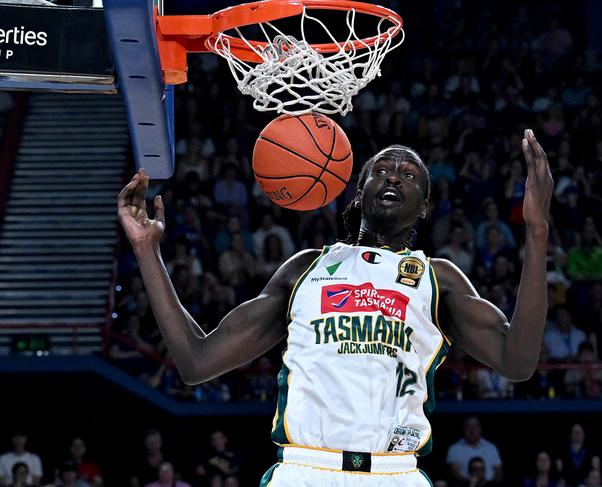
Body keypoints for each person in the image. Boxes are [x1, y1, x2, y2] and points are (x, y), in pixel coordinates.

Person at [118, 130, 554, 486]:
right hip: (304, 470)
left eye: (407, 174)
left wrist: (536, 231)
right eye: (380, 170)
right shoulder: (307, 268)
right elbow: (197, 361)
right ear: (359, 192)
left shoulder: (437, 277)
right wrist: (146, 251)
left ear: (423, 206)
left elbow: (517, 362)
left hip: (394, 473)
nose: (393, 176)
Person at [446, 417, 504, 485]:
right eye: (468, 426)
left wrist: (491, 484)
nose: (472, 430)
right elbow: (454, 472)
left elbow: (499, 471)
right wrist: (471, 484)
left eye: (475, 426)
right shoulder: (454, 449)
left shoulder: (491, 447)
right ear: (464, 429)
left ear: (480, 429)